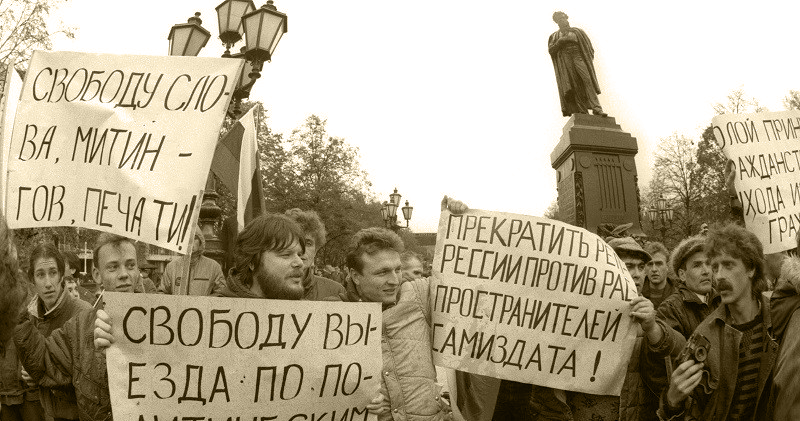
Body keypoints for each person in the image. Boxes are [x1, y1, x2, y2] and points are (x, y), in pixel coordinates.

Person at [14, 233, 143, 420]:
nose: (124, 274)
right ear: (97, 275)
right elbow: (44, 361)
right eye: (113, 267)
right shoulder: (80, 326)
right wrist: (17, 308)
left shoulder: (164, 324)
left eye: (130, 265)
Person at [331, 226, 452, 420]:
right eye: (383, 273)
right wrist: (353, 398)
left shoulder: (417, 295)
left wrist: (456, 221)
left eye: (398, 270)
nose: (395, 281)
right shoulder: (334, 317)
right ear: (355, 276)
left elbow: (463, 282)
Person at [660, 224, 776, 420]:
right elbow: (692, 412)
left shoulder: (779, 319)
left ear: (751, 268)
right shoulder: (705, 336)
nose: (719, 275)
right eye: (715, 267)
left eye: (728, 265)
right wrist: (672, 401)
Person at [640, 236, 720, 416]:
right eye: (697, 265)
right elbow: (660, 371)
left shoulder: (723, 302)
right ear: (682, 275)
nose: (706, 270)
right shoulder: (670, 309)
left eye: (709, 264)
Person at [20, 244, 92, 421]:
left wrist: (40, 373)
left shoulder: (83, 312)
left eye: (53, 273)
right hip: (45, 412)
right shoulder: (30, 316)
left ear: (61, 276)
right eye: (40, 274)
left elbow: (87, 377)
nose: (48, 283)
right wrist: (26, 372)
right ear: (32, 279)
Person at [214, 213, 306, 300]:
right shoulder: (212, 311)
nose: (300, 263)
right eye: (286, 255)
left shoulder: (312, 313)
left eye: (299, 255)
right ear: (252, 262)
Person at [548, 11, 606, 117]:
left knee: (587, 80)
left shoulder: (577, 32)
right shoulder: (555, 36)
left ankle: (597, 108)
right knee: (574, 83)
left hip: (578, 56)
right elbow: (551, 50)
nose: (562, 21)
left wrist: (586, 58)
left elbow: (589, 48)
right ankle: (582, 110)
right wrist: (560, 42)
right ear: (557, 23)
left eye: (563, 18)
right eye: (559, 20)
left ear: (567, 19)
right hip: (565, 58)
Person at [284, 208, 346, 301]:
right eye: (294, 241)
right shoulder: (265, 287)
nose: (301, 250)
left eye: (308, 243)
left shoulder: (336, 291)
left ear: (316, 250)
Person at [159, 228, 225, 296]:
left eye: (194, 238)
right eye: (186, 238)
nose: (190, 241)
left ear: (200, 242)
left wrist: (204, 302)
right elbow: (162, 293)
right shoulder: (171, 267)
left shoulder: (213, 267)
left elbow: (221, 293)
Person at [642, 242, 676, 310]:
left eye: (659, 264)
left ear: (667, 266)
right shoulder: (636, 292)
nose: (654, 269)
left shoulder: (678, 294)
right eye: (650, 264)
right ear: (645, 268)